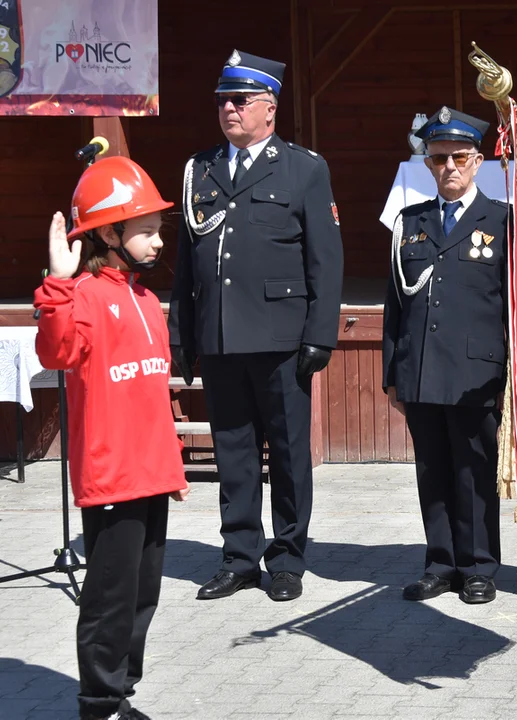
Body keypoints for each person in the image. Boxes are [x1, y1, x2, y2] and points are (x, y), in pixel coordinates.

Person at [168, 49, 344, 602]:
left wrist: (319, 334)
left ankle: (288, 558)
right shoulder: (201, 169)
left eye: (240, 101)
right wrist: (181, 335)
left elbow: (325, 260)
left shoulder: (303, 168)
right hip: (220, 336)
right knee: (233, 452)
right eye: (223, 101)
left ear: (269, 107)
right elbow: (186, 260)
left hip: (280, 337)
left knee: (289, 452)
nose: (229, 110)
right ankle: (239, 555)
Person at [34, 155, 189, 720]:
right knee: (109, 600)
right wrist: (57, 281)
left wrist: (171, 470)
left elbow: (151, 401)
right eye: (145, 231)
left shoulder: (147, 300)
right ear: (107, 231)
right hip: (111, 477)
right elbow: (55, 352)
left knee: (143, 596)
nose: (156, 242)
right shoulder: (84, 297)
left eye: (155, 230)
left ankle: (121, 692)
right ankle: (99, 703)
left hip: (150, 474)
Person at [382, 107, 508, 604]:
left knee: (474, 469)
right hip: (421, 368)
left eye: (459, 157)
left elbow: (515, 304)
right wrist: (393, 369)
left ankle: (479, 566)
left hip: (477, 371)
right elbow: (395, 304)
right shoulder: (409, 222)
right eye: (439, 159)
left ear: (478, 161)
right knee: (431, 468)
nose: (449, 167)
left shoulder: (500, 219)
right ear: (428, 165)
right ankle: (440, 562)